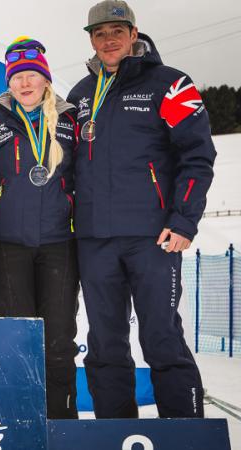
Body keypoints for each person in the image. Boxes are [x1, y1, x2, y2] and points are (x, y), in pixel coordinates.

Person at [67, 0, 216, 418]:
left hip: (155, 237)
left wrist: (184, 219)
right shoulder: (80, 95)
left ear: (134, 34)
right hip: (95, 239)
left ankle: (186, 434)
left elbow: (197, 155)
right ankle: (115, 432)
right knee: (105, 343)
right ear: (92, 41)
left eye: (117, 31)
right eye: (100, 34)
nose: (109, 40)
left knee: (162, 337)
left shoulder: (169, 83)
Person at [0, 36, 79, 419]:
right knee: (15, 340)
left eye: (31, 75)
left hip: (59, 244)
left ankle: (61, 421)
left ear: (45, 79)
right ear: (8, 81)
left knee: (57, 341)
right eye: (17, 76)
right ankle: (17, 421)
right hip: (6, 247)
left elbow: (84, 180)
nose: (24, 84)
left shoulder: (70, 122)